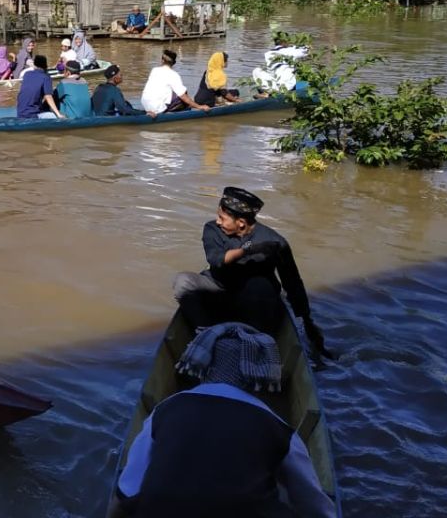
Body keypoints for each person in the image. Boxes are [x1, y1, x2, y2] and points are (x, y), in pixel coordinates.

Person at [110, 323, 337, 518]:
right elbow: (312, 503)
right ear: (256, 376)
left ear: (206, 368)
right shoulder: (278, 426)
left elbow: (127, 489)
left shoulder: (164, 409)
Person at [172, 187, 334, 363]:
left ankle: (254, 342)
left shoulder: (275, 242)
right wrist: (249, 250)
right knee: (183, 282)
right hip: (219, 289)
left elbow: (292, 282)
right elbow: (217, 259)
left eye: (222, 218)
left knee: (259, 285)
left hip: (255, 302)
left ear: (241, 223)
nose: (218, 221)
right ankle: (205, 333)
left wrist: (308, 322)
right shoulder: (212, 229)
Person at [140, 50, 211, 117]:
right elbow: (183, 96)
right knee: (183, 93)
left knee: (174, 91)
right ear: (174, 63)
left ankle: (155, 109)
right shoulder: (174, 75)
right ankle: (180, 111)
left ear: (162, 61)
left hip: (145, 104)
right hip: (158, 108)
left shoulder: (154, 70)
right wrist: (199, 107)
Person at [16, 55, 65, 120]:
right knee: (53, 115)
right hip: (32, 115)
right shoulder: (46, 77)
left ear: (35, 64)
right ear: (45, 66)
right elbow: (48, 96)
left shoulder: (26, 74)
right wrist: (59, 114)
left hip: (20, 112)